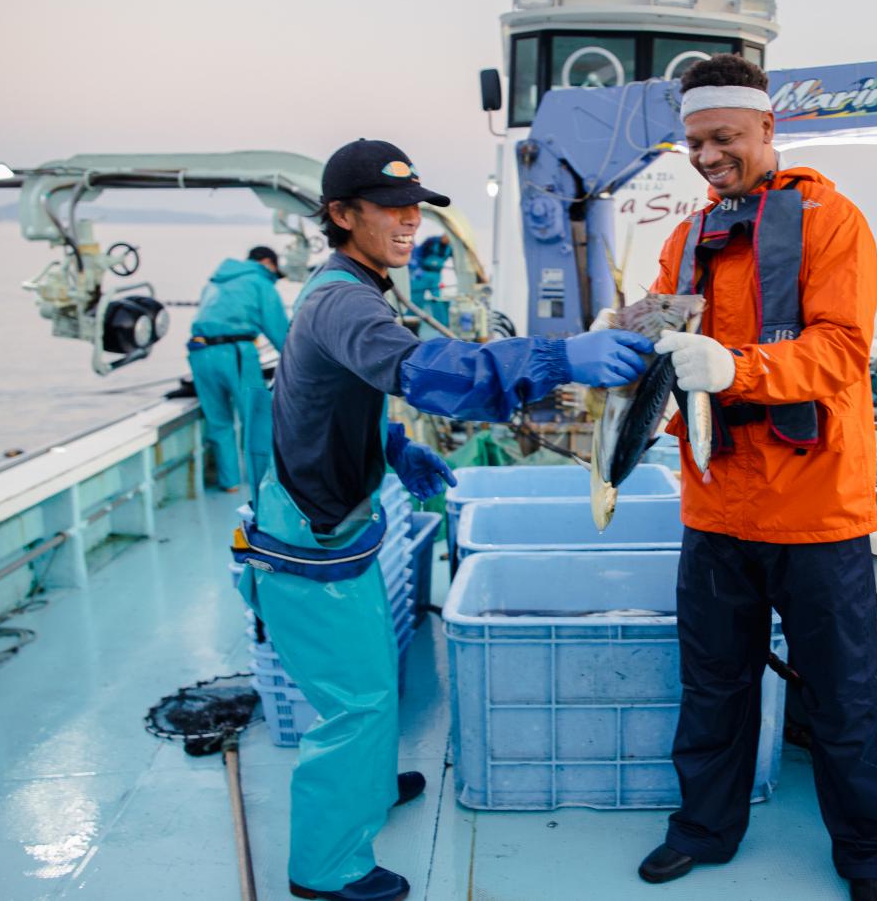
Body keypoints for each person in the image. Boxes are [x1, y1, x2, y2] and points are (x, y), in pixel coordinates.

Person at [232, 138, 651, 901]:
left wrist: (391, 447)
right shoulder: (343, 299)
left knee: (371, 683)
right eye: (391, 209)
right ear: (341, 214)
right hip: (308, 538)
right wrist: (561, 361)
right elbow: (425, 373)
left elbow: (323, 394)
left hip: (339, 518)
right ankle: (325, 871)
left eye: (413, 209)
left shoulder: (356, 283)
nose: (407, 222)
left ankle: (365, 788)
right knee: (354, 702)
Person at [638, 56, 877, 901]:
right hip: (716, 506)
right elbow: (656, 325)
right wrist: (623, 341)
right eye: (694, 142)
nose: (709, 155)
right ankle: (705, 830)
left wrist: (735, 367)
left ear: (767, 129)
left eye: (724, 137)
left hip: (816, 512)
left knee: (842, 698)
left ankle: (869, 855)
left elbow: (842, 351)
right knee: (712, 687)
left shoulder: (833, 221)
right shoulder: (684, 239)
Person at [188, 245, 290, 491]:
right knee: (255, 417)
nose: (274, 280)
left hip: (200, 352)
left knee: (218, 419)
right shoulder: (260, 281)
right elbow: (281, 334)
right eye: (275, 274)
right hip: (236, 353)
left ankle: (230, 482)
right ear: (268, 262)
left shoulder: (214, 282)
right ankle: (265, 481)